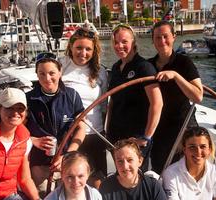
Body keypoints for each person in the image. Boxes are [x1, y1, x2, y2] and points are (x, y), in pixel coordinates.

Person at [26, 52, 86, 196]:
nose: (47, 78)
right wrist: (34, 140)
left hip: (67, 165)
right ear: (37, 74)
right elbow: (16, 130)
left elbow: (81, 128)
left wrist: (68, 154)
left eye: (52, 73)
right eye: (42, 74)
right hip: (39, 165)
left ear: (60, 72)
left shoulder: (72, 96)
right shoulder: (28, 99)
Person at [148, 20, 203, 174]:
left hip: (183, 125)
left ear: (173, 37)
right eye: (158, 38)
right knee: (161, 170)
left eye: (165, 36)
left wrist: (176, 76)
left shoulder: (184, 62)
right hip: (159, 127)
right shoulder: (148, 65)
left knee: (187, 170)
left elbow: (198, 96)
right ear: (153, 40)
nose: (162, 41)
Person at [107, 24, 163, 171]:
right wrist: (108, 131)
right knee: (121, 174)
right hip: (116, 136)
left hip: (136, 138)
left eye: (124, 42)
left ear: (133, 42)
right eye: (116, 42)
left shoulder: (143, 67)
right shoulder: (115, 68)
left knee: (134, 177)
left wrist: (146, 137)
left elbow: (157, 104)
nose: (120, 46)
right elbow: (112, 101)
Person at [59, 28, 108, 188]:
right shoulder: (61, 66)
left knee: (98, 180)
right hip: (69, 134)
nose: (83, 53)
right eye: (79, 48)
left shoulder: (100, 72)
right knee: (71, 181)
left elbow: (104, 105)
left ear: (94, 51)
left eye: (88, 49)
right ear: (71, 46)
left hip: (95, 133)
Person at [161, 126, 216, 200]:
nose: (198, 152)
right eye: (192, 147)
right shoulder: (170, 174)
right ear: (184, 150)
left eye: (203, 147)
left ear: (209, 149)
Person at [99, 139, 167, 200]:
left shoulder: (152, 186)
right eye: (120, 161)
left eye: (130, 160)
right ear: (115, 163)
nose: (125, 166)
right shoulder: (106, 187)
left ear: (140, 161)